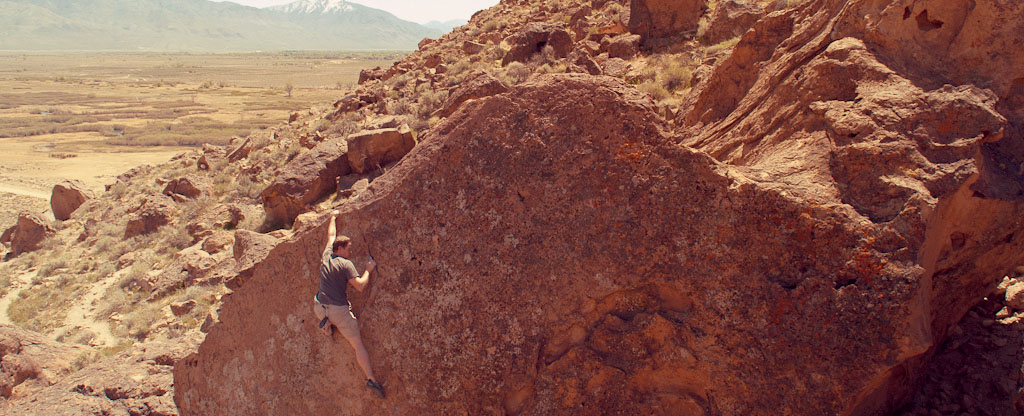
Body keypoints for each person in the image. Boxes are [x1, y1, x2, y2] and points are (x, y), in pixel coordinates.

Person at [313, 209, 385, 399]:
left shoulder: (327, 255)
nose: (350, 251)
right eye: (348, 248)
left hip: (319, 306)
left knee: (323, 308)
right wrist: (368, 270)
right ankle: (371, 379)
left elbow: (330, 236)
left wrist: (333, 217)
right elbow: (360, 286)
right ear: (341, 249)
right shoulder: (346, 264)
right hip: (338, 311)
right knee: (357, 345)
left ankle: (326, 326)